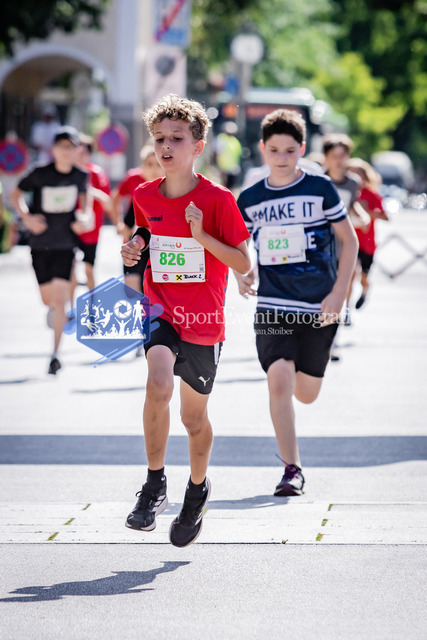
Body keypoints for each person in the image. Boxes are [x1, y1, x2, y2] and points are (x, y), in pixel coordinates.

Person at [121, 94, 250, 547]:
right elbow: (145, 236)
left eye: (177, 138)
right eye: (159, 138)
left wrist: (200, 235)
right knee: (158, 383)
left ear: (197, 146)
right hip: (160, 309)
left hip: (203, 319)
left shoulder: (218, 200)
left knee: (193, 419)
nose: (166, 146)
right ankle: (154, 483)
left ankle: (196, 490)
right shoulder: (143, 195)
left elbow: (242, 262)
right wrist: (133, 251)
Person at [234, 109, 358, 497]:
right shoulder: (250, 199)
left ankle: (309, 374)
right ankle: (292, 468)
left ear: (302, 149)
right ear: (263, 149)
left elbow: (349, 240)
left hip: (319, 306)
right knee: (279, 379)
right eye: (274, 150)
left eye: (290, 150)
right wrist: (241, 273)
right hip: (273, 303)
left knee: (306, 393)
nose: (282, 158)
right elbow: (240, 247)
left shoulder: (320, 188)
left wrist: (339, 294)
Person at [10, 125, 88, 375]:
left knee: (60, 300)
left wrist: (83, 219)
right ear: (54, 149)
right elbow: (15, 194)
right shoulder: (40, 173)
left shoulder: (80, 176)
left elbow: (85, 205)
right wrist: (27, 218)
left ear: (77, 150)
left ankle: (55, 355)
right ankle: (55, 314)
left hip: (66, 244)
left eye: (71, 147)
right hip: (40, 244)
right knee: (48, 300)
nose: (66, 151)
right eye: (62, 147)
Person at [113, 145, 163, 294]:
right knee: (132, 293)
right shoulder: (134, 181)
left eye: (158, 164)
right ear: (143, 167)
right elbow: (115, 198)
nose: (154, 169)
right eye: (149, 164)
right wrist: (119, 224)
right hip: (134, 243)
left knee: (152, 295)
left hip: (159, 248)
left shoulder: (171, 188)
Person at [70, 133, 112, 307]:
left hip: (91, 230)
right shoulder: (66, 172)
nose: (79, 155)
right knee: (70, 269)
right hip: (69, 228)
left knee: (89, 269)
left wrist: (87, 191)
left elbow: (107, 201)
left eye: (83, 152)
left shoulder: (96, 173)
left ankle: (93, 308)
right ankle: (70, 308)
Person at [346, 157, 389, 310]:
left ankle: (365, 290)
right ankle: (347, 308)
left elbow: (385, 216)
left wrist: (366, 212)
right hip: (349, 240)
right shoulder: (347, 192)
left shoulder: (371, 194)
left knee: (363, 276)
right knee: (351, 273)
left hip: (367, 243)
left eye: (357, 174)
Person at [213, 121, 242, 190]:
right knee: (223, 187)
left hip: (232, 169)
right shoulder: (221, 139)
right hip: (223, 168)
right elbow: (216, 153)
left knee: (230, 188)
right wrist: (218, 166)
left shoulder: (235, 141)